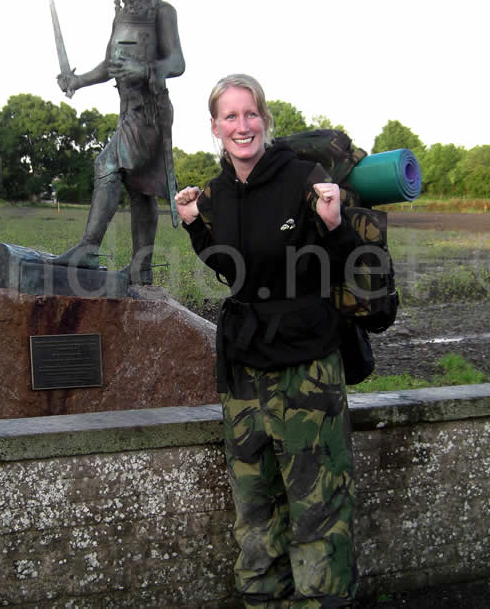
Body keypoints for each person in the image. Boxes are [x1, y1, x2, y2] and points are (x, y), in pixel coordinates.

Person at [175, 74, 360, 607]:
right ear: (215, 128)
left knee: (318, 505)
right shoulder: (218, 192)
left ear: (265, 120)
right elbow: (232, 271)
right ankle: (262, 601)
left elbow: (348, 265)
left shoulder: (304, 177)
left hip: (306, 369)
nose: (241, 126)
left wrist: (332, 223)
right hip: (244, 372)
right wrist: (195, 227)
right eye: (229, 117)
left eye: (250, 113)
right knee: (255, 507)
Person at [53, 0, 185, 285]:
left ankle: (88, 248)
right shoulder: (120, 17)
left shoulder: (163, 12)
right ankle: (141, 269)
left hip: (150, 111)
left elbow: (178, 62)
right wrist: (77, 81)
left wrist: (145, 69)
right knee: (139, 189)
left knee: (106, 165)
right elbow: (109, 65)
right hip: (127, 110)